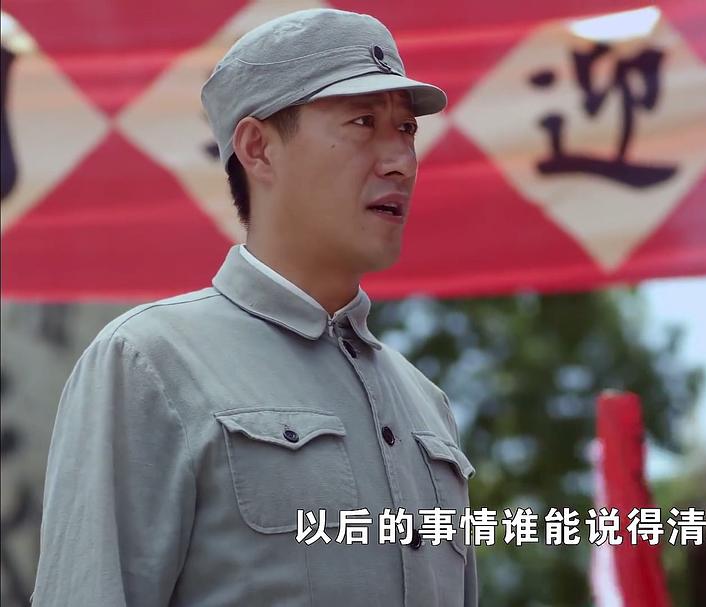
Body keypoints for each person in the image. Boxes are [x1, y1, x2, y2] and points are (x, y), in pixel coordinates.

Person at [31, 9, 477, 606]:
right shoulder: (148, 363)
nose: (400, 159)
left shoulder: (427, 405)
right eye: (363, 122)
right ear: (258, 148)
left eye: (406, 129)